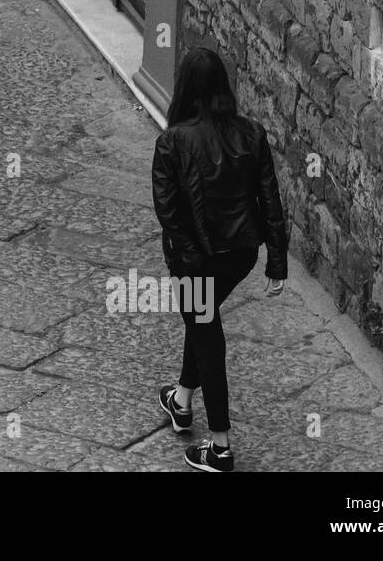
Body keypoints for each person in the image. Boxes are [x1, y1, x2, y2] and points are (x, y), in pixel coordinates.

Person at [151, 46, 288, 472]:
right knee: (202, 318)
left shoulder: (173, 141)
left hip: (196, 259)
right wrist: (276, 260)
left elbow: (168, 211)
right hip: (240, 254)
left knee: (207, 332)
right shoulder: (252, 133)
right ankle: (181, 399)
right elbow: (269, 197)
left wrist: (191, 262)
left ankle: (221, 446)